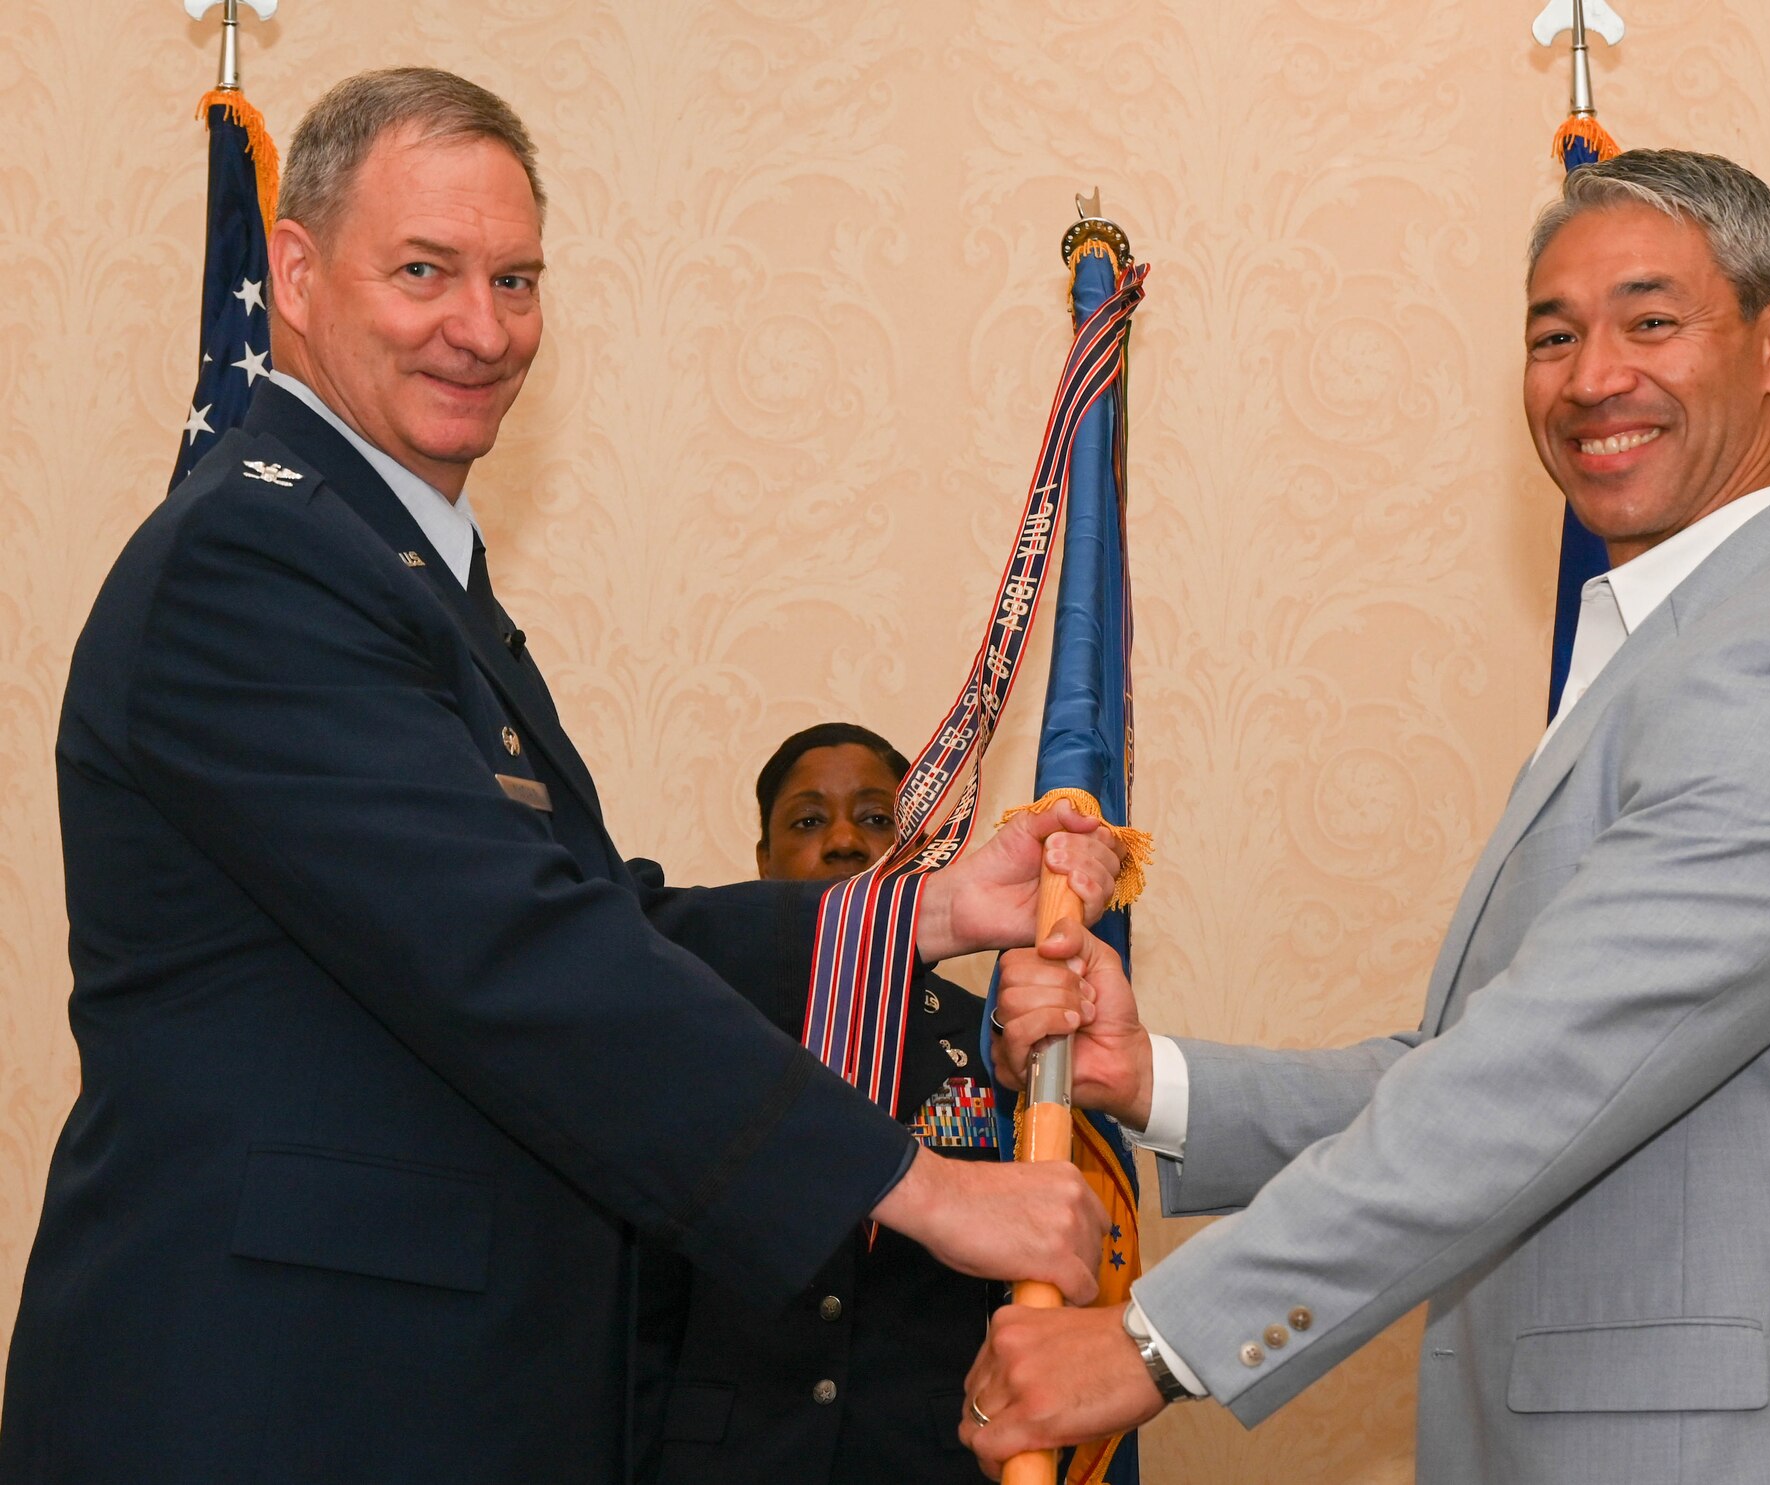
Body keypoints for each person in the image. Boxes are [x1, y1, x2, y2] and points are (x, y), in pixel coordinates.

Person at [0, 69, 1123, 1485]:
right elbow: (518, 957)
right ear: (292, 272)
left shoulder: (399, 570)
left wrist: (936, 912)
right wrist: (923, 1188)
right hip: (280, 1406)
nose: (482, 329)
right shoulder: (255, 562)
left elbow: (592, 923)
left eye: (515, 279)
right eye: (424, 272)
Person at [966, 150, 1770, 1485]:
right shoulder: (1671, 653)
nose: (1591, 378)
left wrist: (1160, 1342)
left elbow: (1544, 1074)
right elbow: (1492, 1060)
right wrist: (1148, 1076)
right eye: (1551, 335)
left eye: (1652, 321)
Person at [649, 723, 1003, 1483]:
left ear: (920, 851)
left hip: (932, 1458)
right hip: (726, 1459)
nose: (845, 840)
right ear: (762, 862)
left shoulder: (989, 1039)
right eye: (808, 821)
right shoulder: (695, 1033)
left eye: (877, 817)